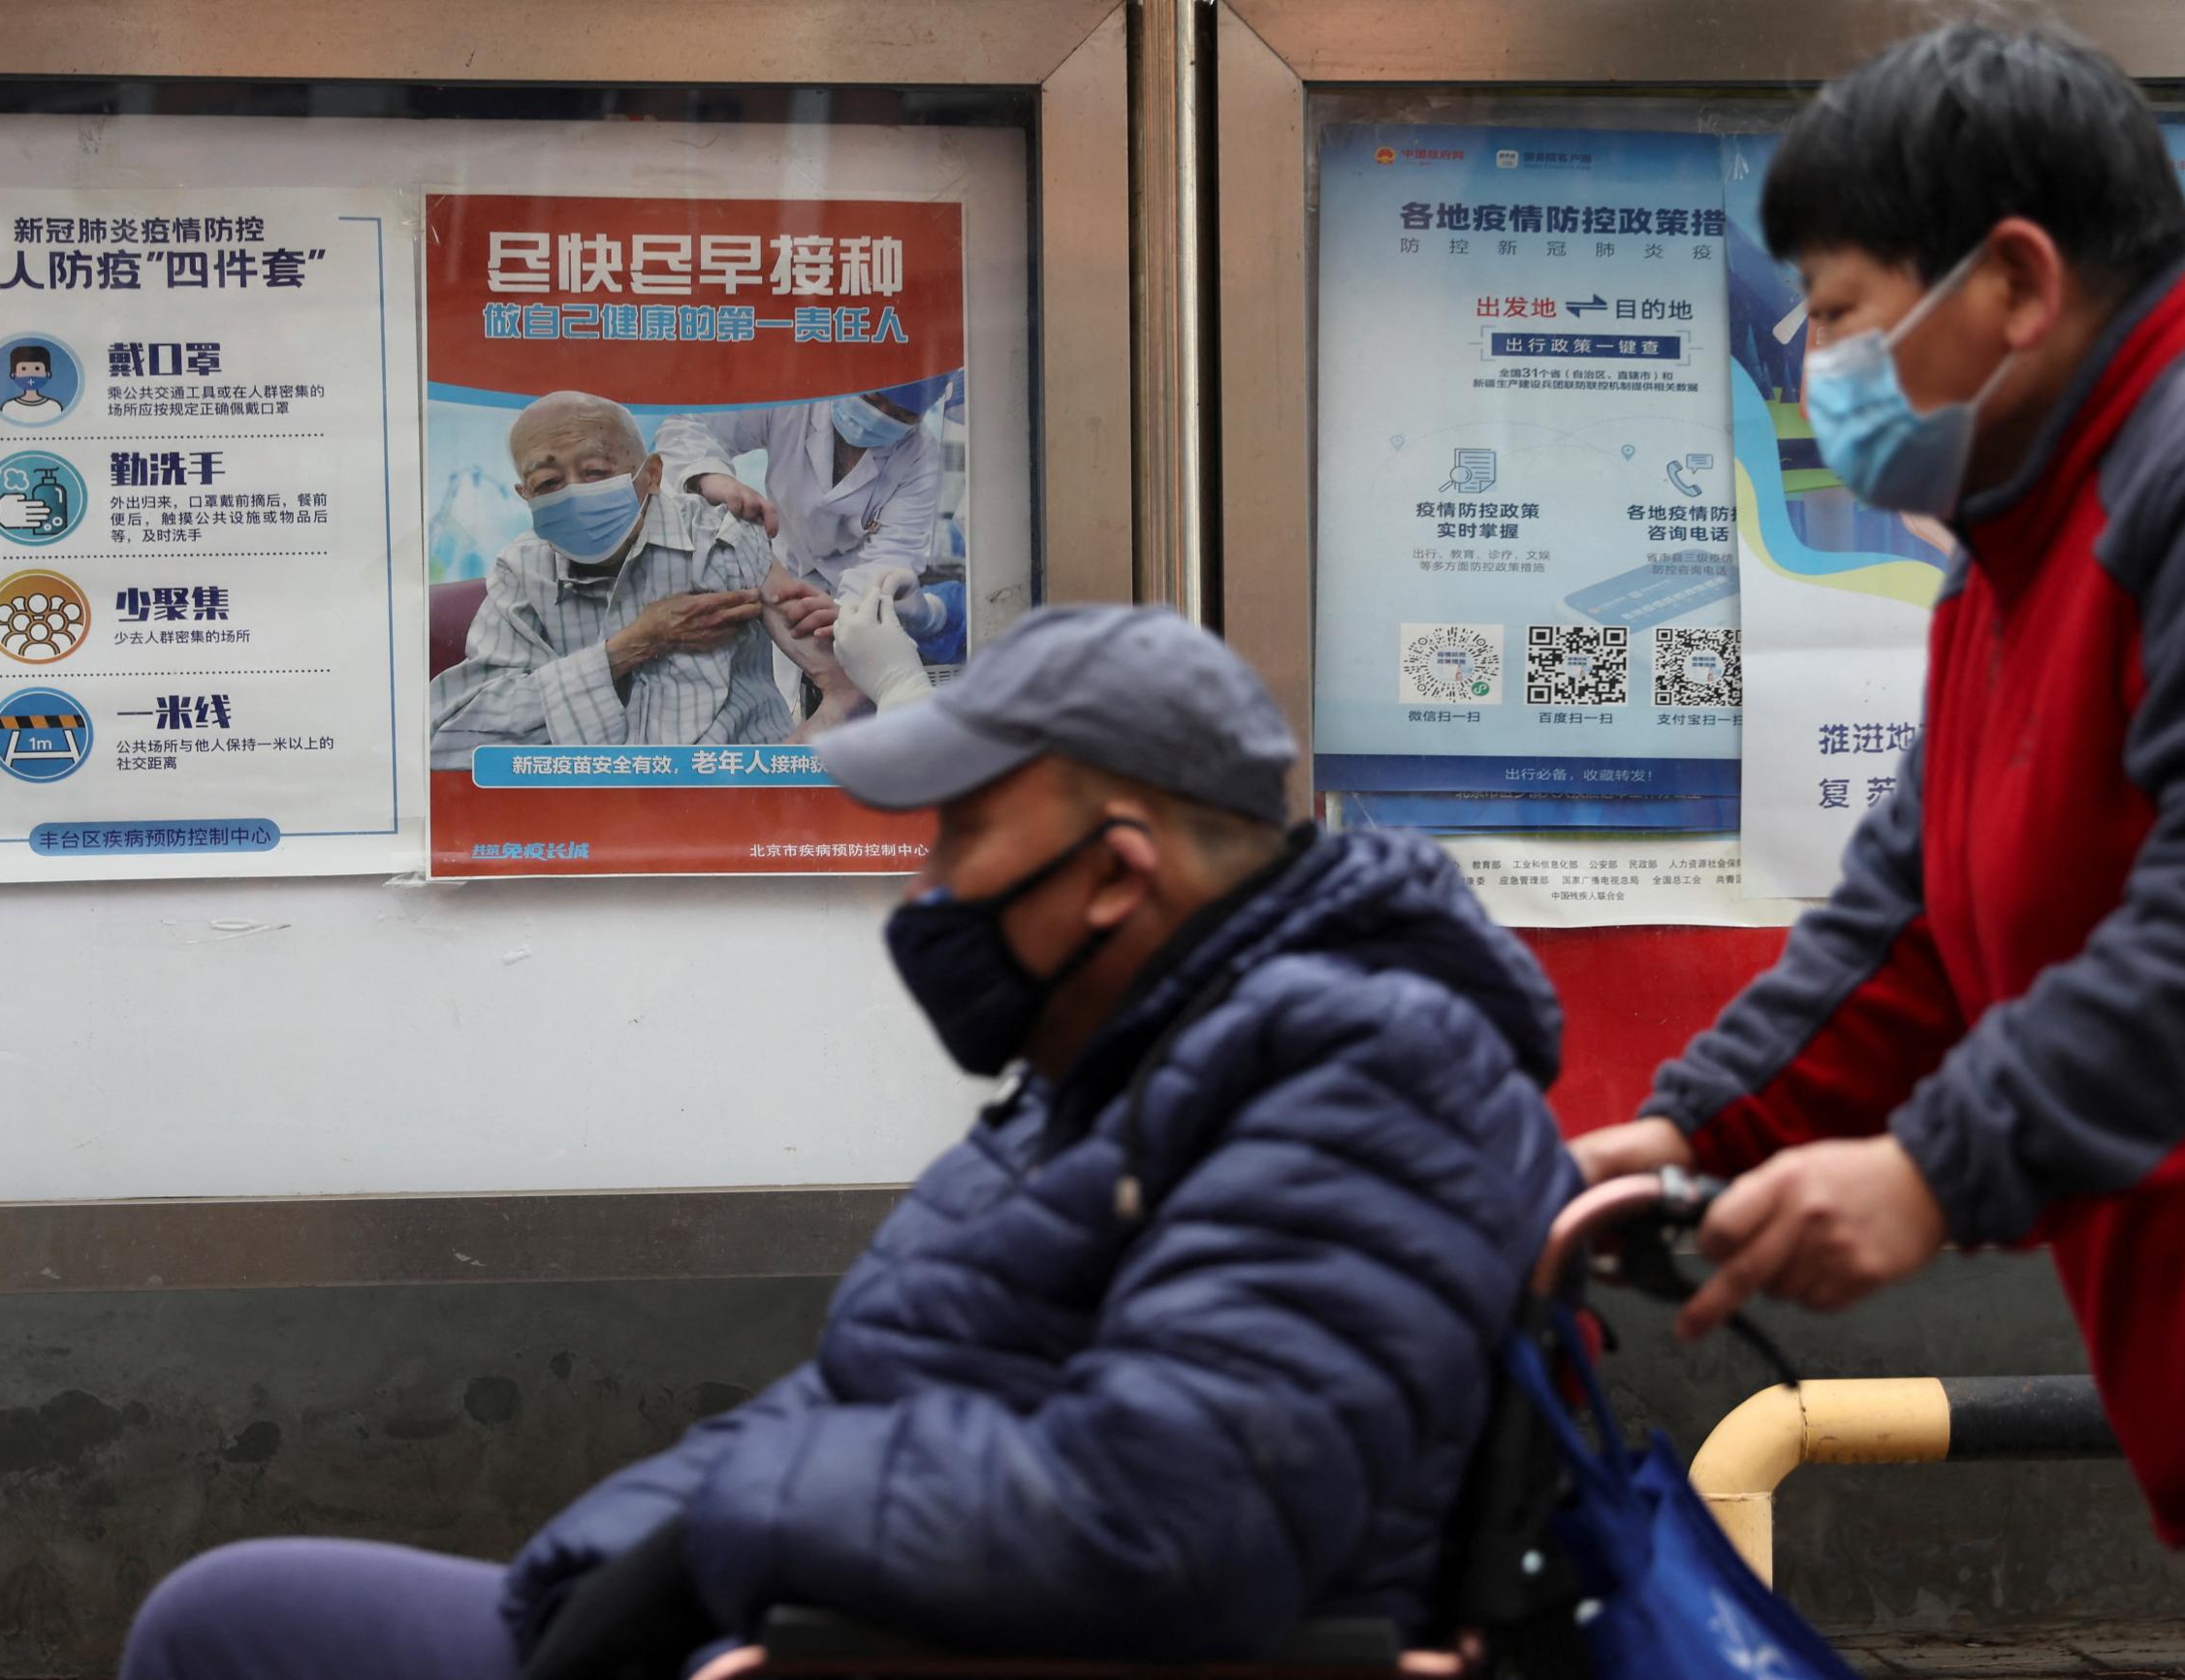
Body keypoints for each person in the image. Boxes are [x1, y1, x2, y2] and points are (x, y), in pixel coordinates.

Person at [120, 605, 1579, 1680]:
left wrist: (725, 1551)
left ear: (1116, 875)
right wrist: (603, 1582)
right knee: (233, 1617)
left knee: (229, 1634)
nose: (924, 887)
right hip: (843, 1610)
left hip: (909, 1645)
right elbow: (867, 1393)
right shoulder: (1122, 1068)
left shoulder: (1367, 1074)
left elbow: (1163, 1527)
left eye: (958, 840)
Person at [1574, 26, 2185, 1676]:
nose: (1811, 362)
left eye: (1833, 307)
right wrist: (1686, 1126)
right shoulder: (2014, 559)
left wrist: (1937, 1167)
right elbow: (1907, 932)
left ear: (2014, 284)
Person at [428, 391, 859, 769]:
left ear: (651, 474)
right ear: (525, 495)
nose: (574, 491)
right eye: (548, 481)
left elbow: (845, 689)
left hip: (730, 804)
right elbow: (451, 739)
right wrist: (631, 645)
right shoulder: (523, 573)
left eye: (595, 472)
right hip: (590, 816)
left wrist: (772, 775)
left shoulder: (721, 540)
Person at [652, 374, 963, 658]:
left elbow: (890, 559)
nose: (878, 417)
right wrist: (711, 477)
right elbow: (688, 426)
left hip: (851, 592)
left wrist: (846, 612)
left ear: (925, 414)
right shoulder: (793, 398)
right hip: (778, 563)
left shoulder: (921, 461)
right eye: (870, 399)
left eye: (900, 416)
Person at [0, 343, 64, 423]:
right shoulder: (8, 407)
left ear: (48, 374)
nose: (30, 374)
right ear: (13, 374)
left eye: (37, 368)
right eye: (23, 369)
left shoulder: (54, 407)